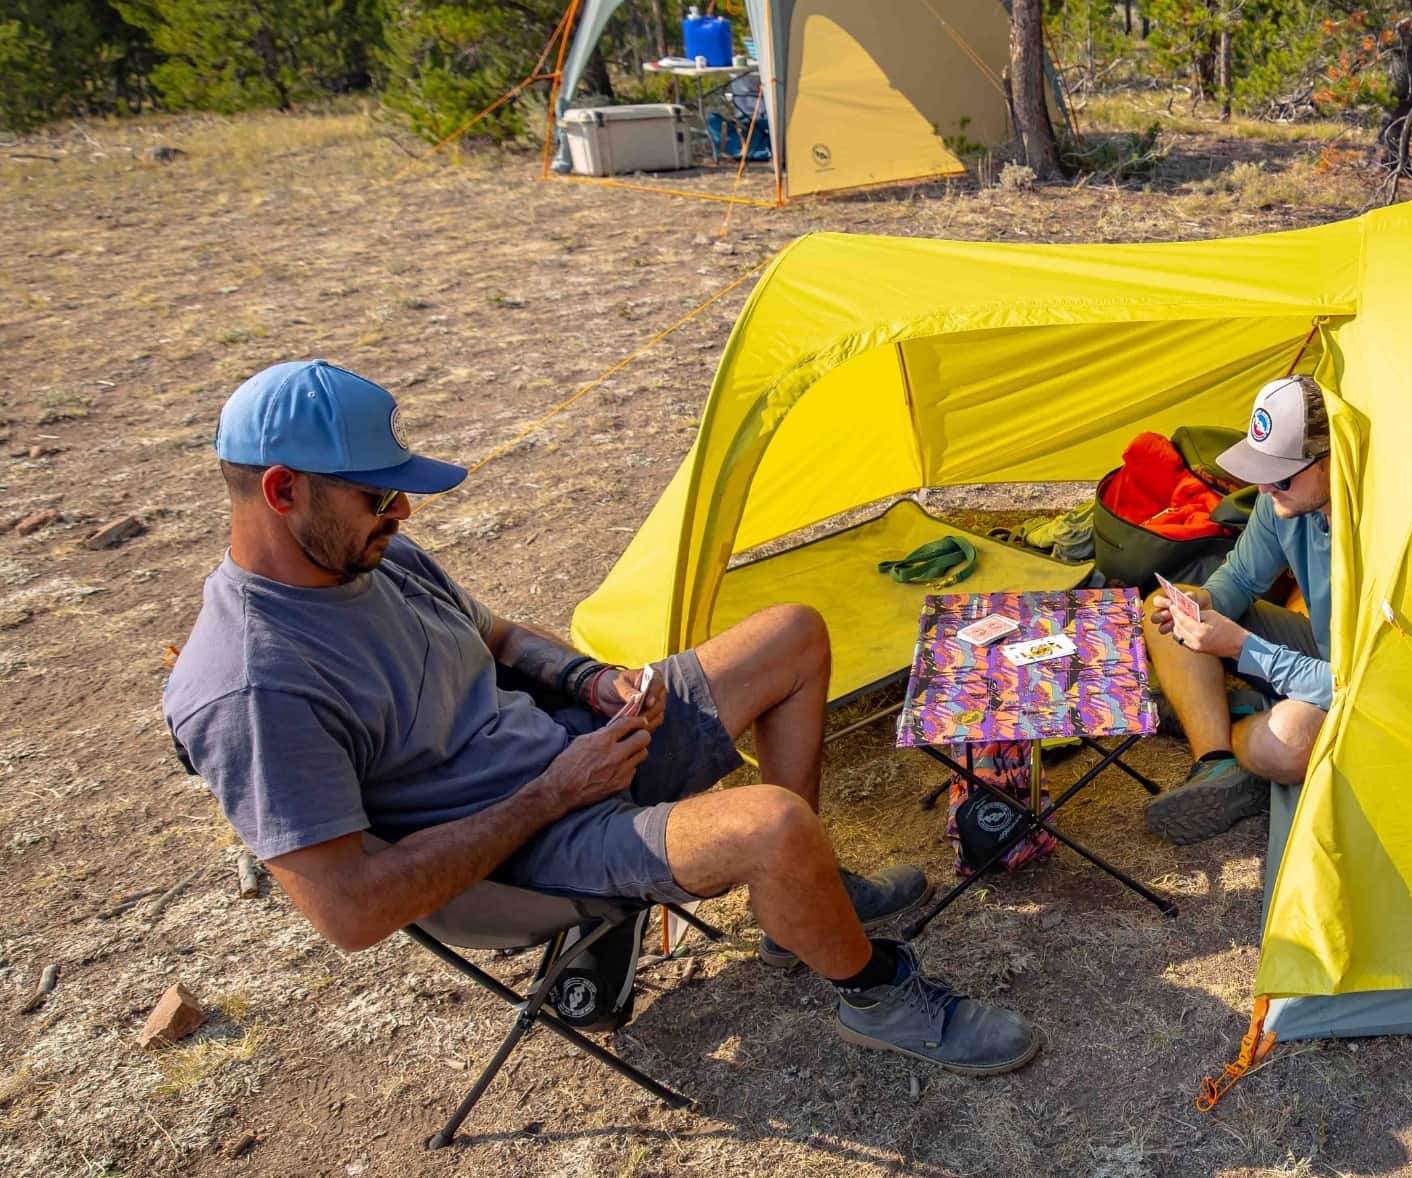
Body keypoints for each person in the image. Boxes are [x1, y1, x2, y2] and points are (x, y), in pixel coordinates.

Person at [164, 361, 1038, 1076]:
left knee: (792, 633)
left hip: (574, 760)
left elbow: (498, 637)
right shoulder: (254, 687)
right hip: (515, 855)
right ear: (282, 491)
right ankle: (875, 994)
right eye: (377, 496)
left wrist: (590, 682)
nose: (404, 511)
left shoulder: (373, 559)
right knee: (773, 825)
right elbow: (350, 913)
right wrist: (550, 794)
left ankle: (799, 909)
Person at [1141, 374, 1336, 845]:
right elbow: (1243, 577)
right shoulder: (1283, 501)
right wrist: (1200, 605)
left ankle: (1229, 721)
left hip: (1360, 683)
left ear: (1331, 463)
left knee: (1282, 744)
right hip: (1322, 650)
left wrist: (1244, 649)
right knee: (1159, 608)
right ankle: (1216, 764)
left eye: (1281, 475)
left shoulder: (1382, 531)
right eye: (1260, 472)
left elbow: (1359, 685)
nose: (1266, 489)